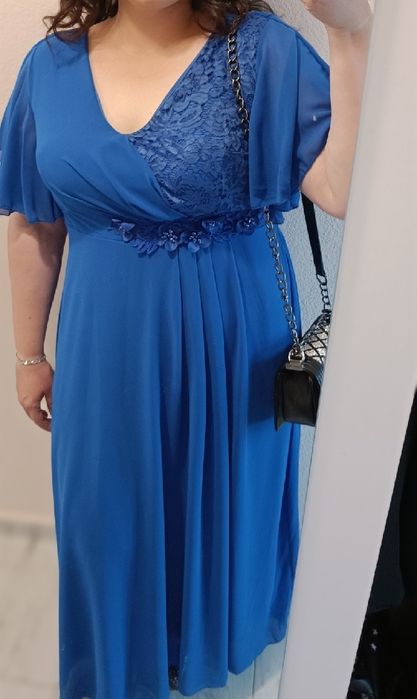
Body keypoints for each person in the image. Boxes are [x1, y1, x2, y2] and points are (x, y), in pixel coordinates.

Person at [0, 0, 372, 697]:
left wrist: (351, 35)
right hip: (104, 346)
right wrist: (28, 355)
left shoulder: (263, 50)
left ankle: (204, 660)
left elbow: (340, 188)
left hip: (234, 344)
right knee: (106, 516)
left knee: (219, 512)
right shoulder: (47, 69)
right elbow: (35, 221)